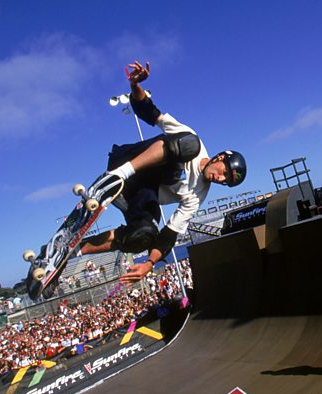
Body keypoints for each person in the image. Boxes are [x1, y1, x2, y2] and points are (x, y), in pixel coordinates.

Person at [78, 60, 247, 285]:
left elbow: (169, 235)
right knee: (188, 144)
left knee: (144, 235)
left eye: (225, 181)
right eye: (224, 172)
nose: (220, 178)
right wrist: (135, 85)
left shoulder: (197, 196)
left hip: (138, 195)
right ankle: (119, 175)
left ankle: (74, 251)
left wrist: (149, 264)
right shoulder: (191, 140)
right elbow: (150, 113)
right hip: (126, 163)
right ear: (219, 158)